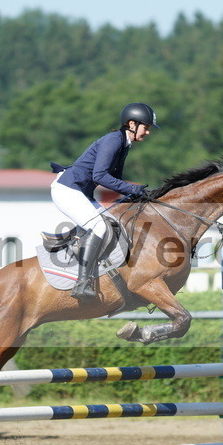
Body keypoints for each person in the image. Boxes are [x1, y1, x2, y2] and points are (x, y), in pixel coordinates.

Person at [49, 103, 158, 300]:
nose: (148, 132)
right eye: (146, 127)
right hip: (67, 190)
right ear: (132, 124)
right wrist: (131, 188)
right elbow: (100, 176)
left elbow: (115, 179)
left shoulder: (124, 144)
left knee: (114, 224)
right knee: (99, 228)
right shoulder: (113, 141)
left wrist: (134, 195)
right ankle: (82, 283)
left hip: (80, 193)